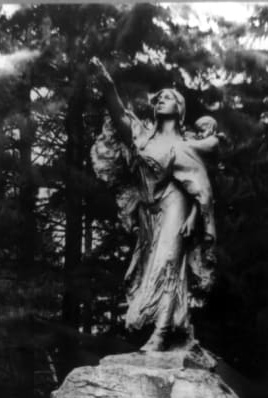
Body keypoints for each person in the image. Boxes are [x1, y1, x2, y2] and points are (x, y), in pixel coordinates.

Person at [90, 57, 216, 352]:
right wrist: (108, 86)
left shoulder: (184, 146)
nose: (161, 101)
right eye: (158, 98)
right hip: (149, 211)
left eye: (169, 98)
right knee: (148, 269)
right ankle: (169, 330)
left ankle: (160, 335)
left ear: (180, 110)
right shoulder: (143, 138)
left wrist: (195, 216)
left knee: (168, 264)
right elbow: (119, 115)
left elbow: (200, 186)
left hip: (176, 207)